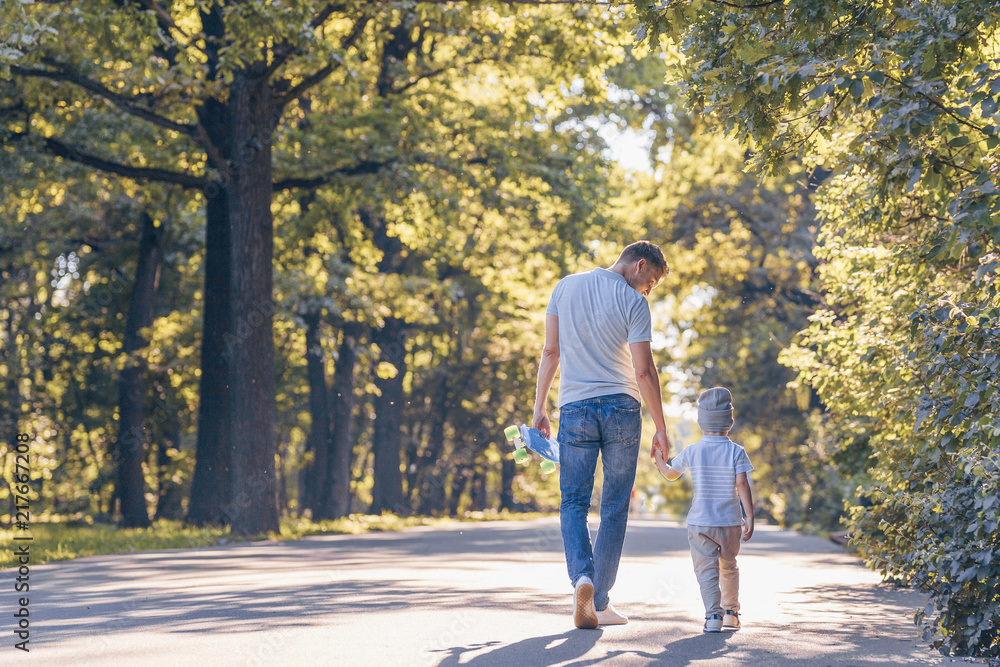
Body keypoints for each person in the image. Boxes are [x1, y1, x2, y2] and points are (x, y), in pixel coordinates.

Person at [532, 241, 670, 629]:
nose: (649, 289)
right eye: (652, 281)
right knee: (614, 506)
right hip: (622, 410)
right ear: (640, 264)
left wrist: (539, 408)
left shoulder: (565, 286)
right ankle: (601, 600)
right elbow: (643, 371)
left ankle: (584, 580)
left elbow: (550, 352)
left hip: (574, 408)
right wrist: (661, 428)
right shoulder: (633, 303)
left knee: (573, 502)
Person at [653, 386, 755, 633]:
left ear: (701, 422)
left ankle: (713, 617)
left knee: (706, 570)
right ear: (728, 422)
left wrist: (658, 458)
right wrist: (749, 516)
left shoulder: (692, 450)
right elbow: (742, 484)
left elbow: (669, 473)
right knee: (729, 565)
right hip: (730, 523)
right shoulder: (736, 451)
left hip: (700, 524)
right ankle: (731, 613)